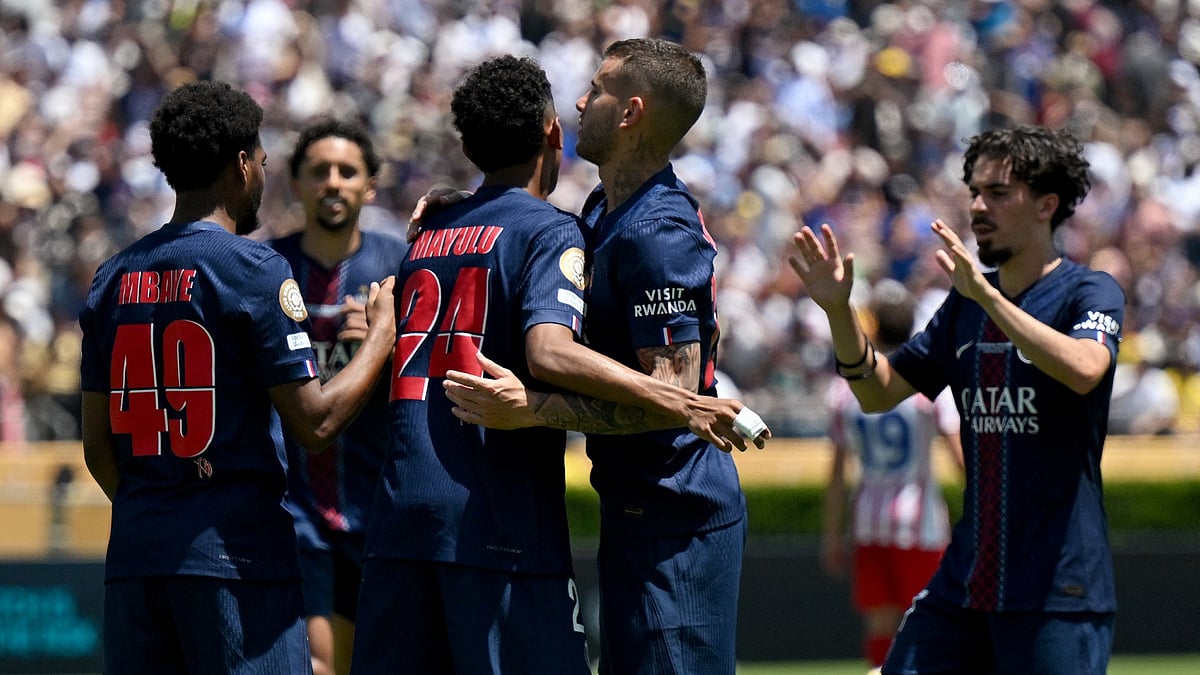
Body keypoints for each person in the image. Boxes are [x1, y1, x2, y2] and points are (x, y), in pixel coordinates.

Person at [353, 53, 760, 675]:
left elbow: (671, 398)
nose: (577, 104)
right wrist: (475, 203)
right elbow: (522, 227)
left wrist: (537, 408)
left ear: (630, 113)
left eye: (594, 90)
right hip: (621, 507)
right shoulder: (596, 211)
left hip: (677, 513)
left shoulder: (658, 230)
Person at [79, 79, 396, 674]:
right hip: (236, 560)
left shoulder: (111, 277)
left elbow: (99, 447)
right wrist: (382, 333)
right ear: (242, 163)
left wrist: (162, 517)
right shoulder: (253, 267)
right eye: (264, 163)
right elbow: (317, 422)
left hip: (137, 561)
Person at [790, 125, 1123, 674]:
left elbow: (1086, 368)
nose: (977, 205)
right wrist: (838, 311)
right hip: (968, 579)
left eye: (997, 192)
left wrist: (988, 296)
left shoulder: (1090, 291)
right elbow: (877, 391)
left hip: (1059, 587)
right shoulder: (964, 306)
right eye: (974, 191)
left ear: (1047, 204)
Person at [268, 118, 409, 675]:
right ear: (296, 183)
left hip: (379, 505)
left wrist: (387, 343)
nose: (333, 182)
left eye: (347, 172)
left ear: (369, 186)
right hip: (295, 510)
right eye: (318, 171)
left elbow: (435, 379)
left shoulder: (399, 265)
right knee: (316, 665)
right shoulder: (265, 268)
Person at [819, 278, 963, 670]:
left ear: (875, 325)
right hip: (920, 522)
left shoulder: (846, 389)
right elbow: (960, 459)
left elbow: (835, 473)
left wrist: (832, 532)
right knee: (926, 626)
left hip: (868, 519)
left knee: (880, 630)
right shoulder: (926, 383)